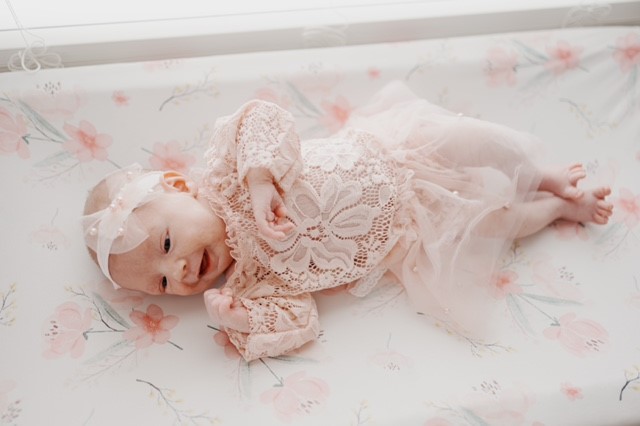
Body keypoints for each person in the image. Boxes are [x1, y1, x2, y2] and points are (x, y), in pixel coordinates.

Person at [82, 81, 613, 361]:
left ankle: (543, 175)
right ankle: (561, 208)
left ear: (179, 186)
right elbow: (299, 320)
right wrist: (241, 320)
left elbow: (263, 117)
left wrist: (261, 180)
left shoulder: (227, 169)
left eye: (168, 242)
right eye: (163, 281)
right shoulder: (250, 285)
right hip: (407, 229)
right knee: (493, 222)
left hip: (396, 151)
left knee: (472, 141)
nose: (180, 271)